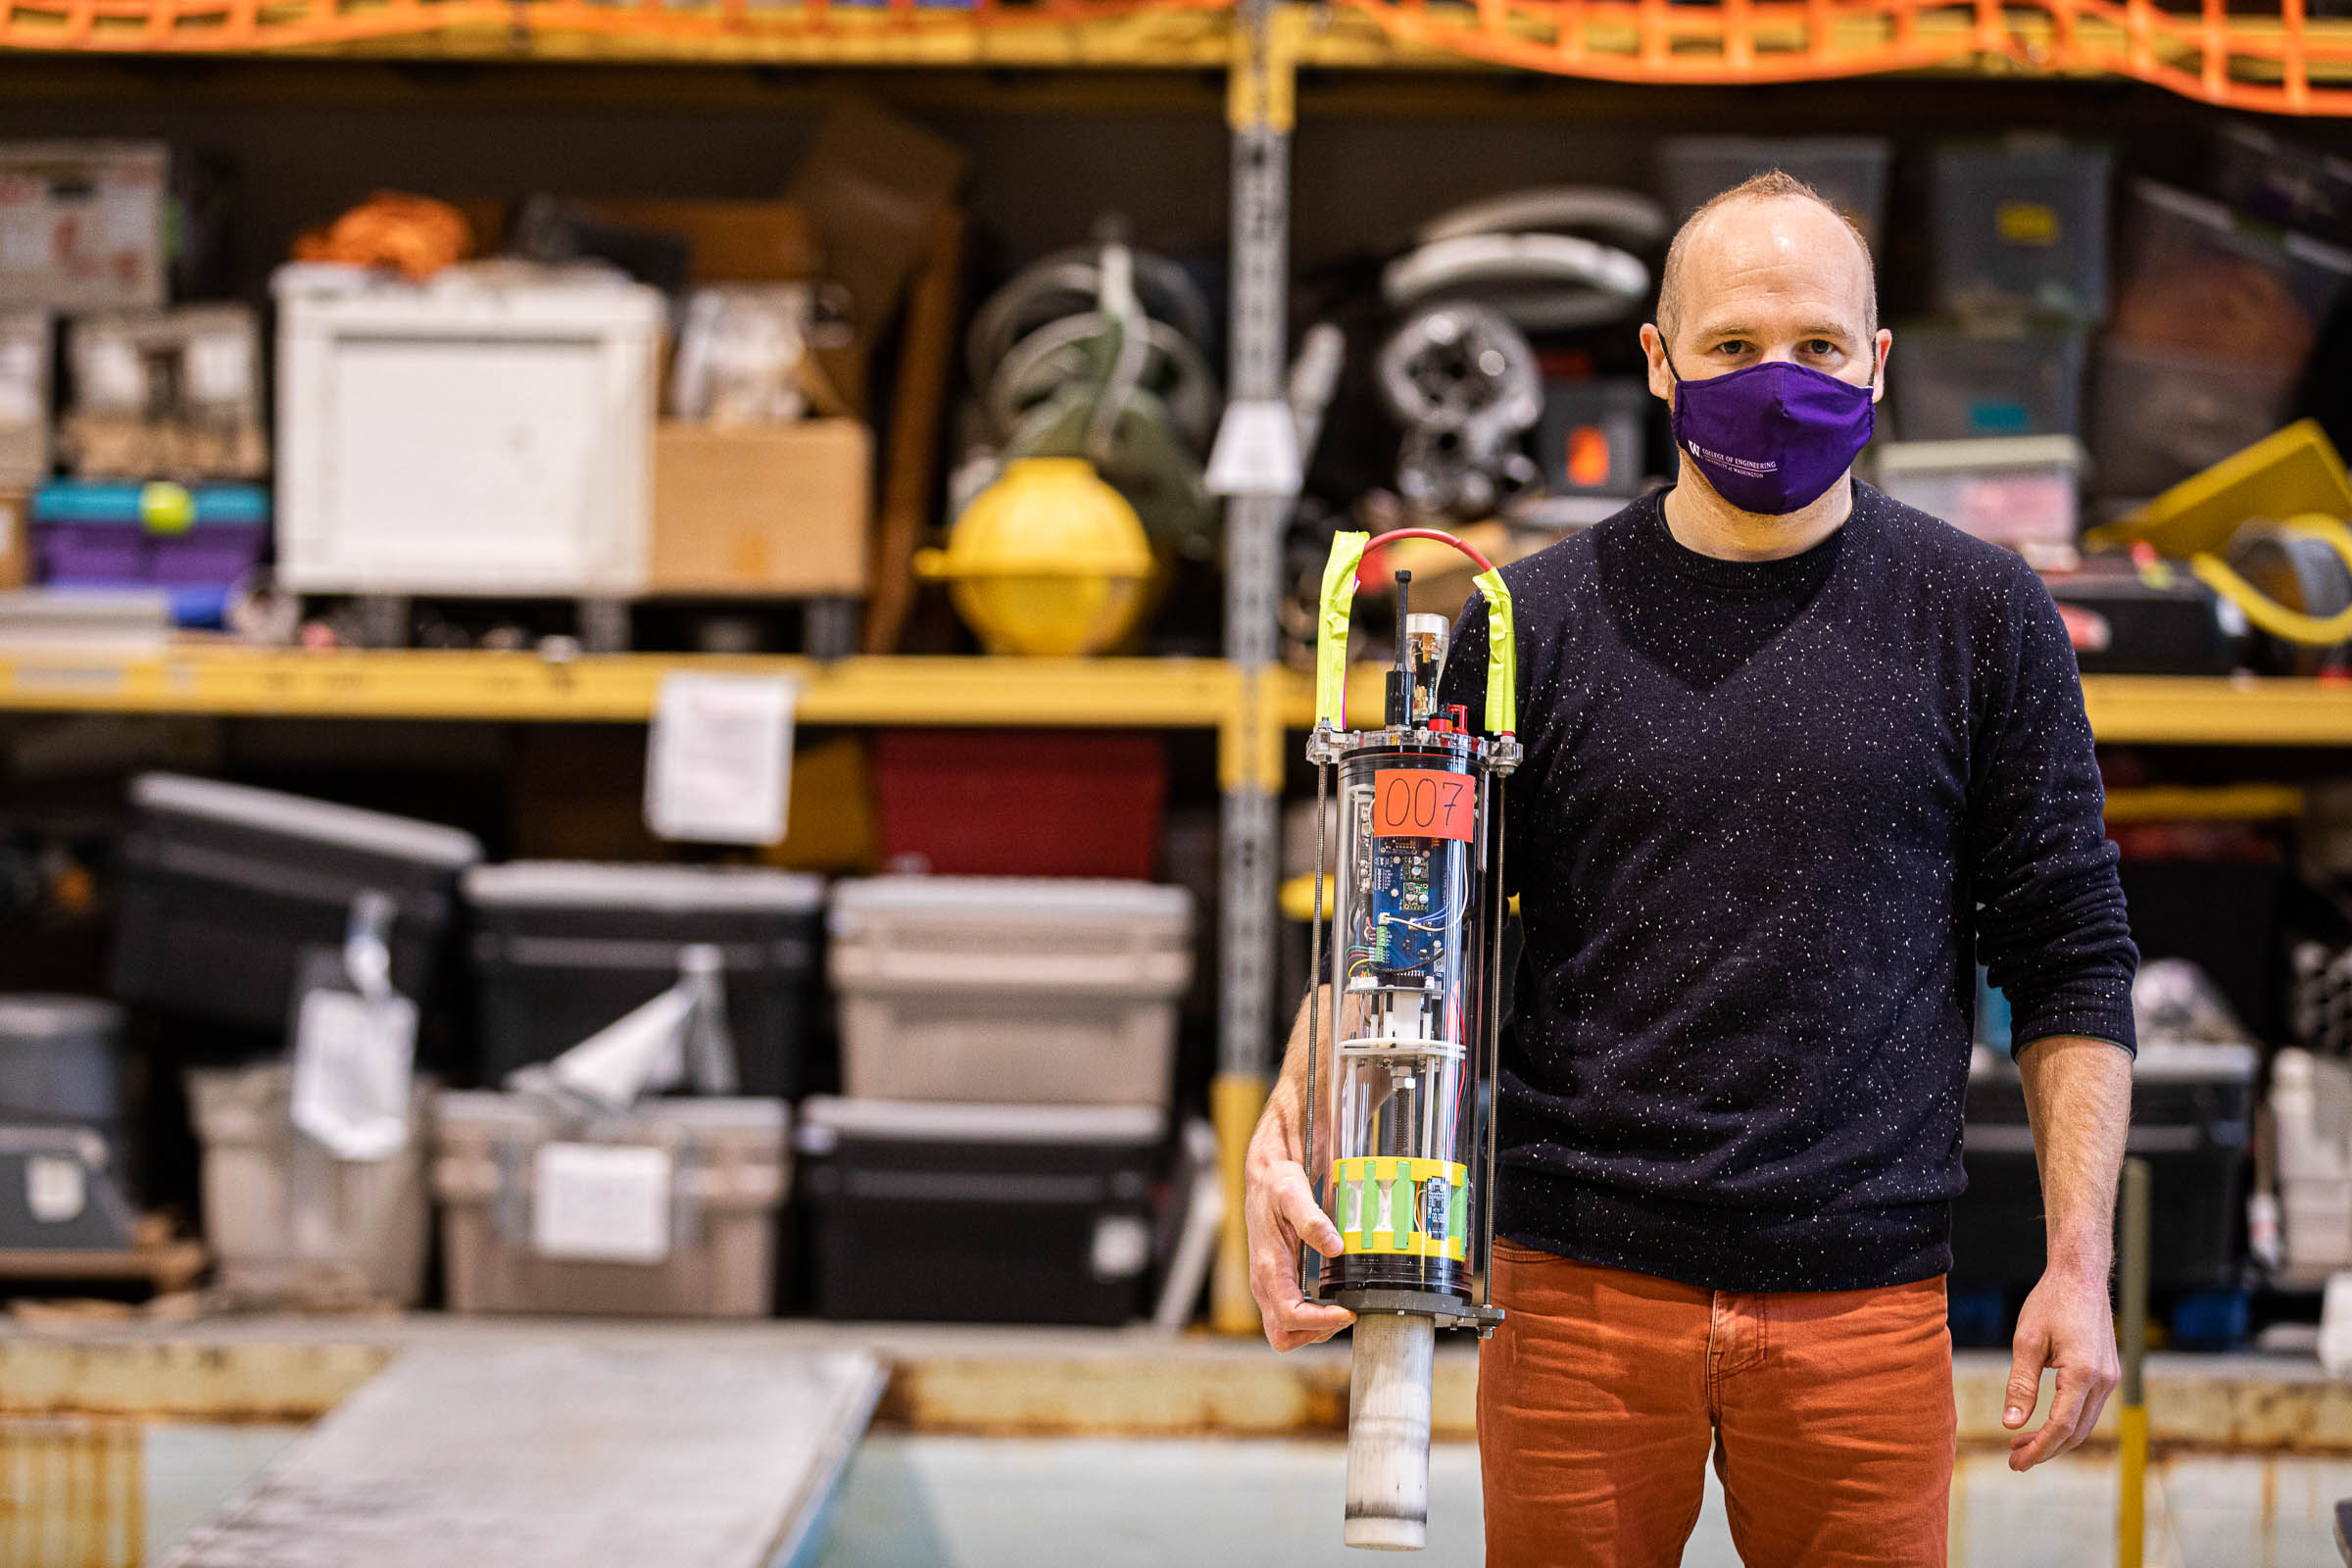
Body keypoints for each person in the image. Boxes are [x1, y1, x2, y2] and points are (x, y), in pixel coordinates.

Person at [1244, 171, 2136, 1568]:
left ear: (1878, 361)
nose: (1775, 381)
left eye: (1818, 347)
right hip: (1579, 1298)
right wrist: (1288, 1118)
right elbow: (1404, 935)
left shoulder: (1982, 617)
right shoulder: (1525, 622)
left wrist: (2081, 1265)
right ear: (1657, 362)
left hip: (1867, 1300)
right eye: (1730, 346)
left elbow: (2070, 950)